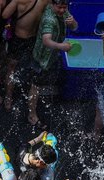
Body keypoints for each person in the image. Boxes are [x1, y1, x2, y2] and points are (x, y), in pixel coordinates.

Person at [28, 0, 78, 130]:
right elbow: (46, 40)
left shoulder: (64, 11)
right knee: (35, 86)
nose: (62, 10)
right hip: (42, 58)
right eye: (59, 7)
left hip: (52, 57)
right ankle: (31, 114)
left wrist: (72, 23)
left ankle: (46, 102)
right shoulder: (49, 19)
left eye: (64, 7)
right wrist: (62, 46)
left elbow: (75, 27)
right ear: (52, 5)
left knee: (45, 81)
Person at [1, 0, 49, 111]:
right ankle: (31, 111)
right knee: (35, 72)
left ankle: (8, 98)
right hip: (34, 39)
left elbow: (5, 15)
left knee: (12, 69)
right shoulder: (45, 2)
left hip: (19, 39)